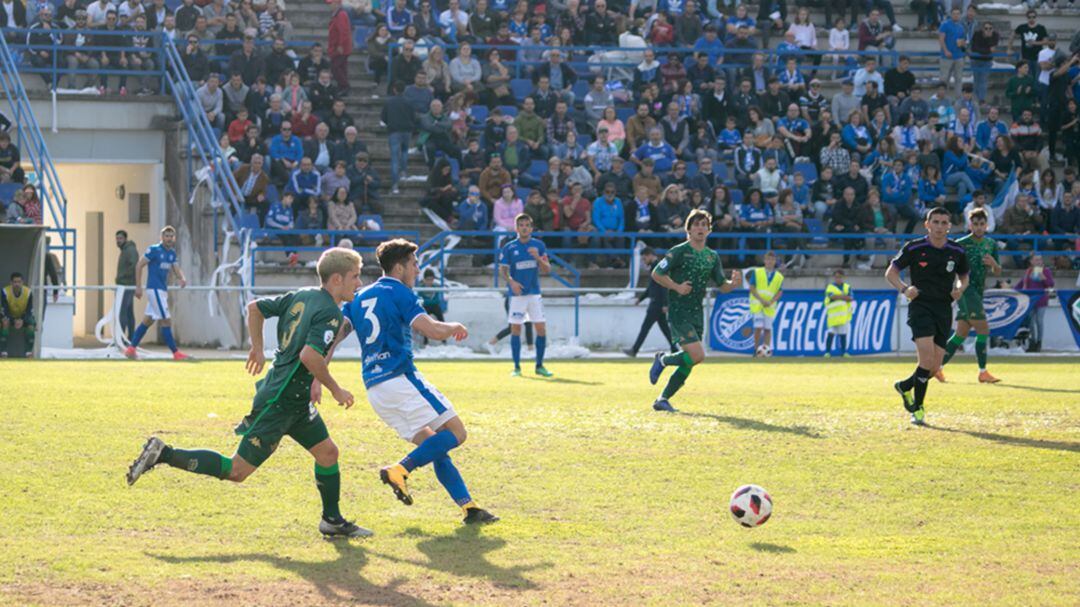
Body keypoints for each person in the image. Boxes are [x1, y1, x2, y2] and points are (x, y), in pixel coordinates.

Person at [126, 248, 372, 539]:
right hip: (280, 401)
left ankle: (332, 520)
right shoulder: (330, 312)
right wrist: (335, 388)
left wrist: (257, 347)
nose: (359, 283)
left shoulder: (303, 295)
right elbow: (309, 356)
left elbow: (256, 308)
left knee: (328, 453)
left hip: (294, 400)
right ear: (336, 280)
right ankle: (163, 454)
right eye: (355, 277)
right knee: (237, 471)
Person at [344, 239, 498, 525]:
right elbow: (432, 330)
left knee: (436, 444)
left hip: (375, 389)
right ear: (399, 267)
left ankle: (469, 508)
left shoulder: (358, 296)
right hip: (400, 377)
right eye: (414, 264)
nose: (416, 270)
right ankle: (400, 469)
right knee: (456, 432)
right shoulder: (400, 292)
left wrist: (319, 378)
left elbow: (334, 337)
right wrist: (454, 326)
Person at [648, 209, 743, 412]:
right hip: (679, 310)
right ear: (689, 229)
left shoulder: (712, 257)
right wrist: (676, 287)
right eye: (696, 224)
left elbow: (722, 286)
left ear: (709, 230)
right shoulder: (679, 251)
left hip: (696, 312)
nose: (700, 228)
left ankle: (662, 399)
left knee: (690, 360)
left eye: (704, 225)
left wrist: (733, 284)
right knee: (698, 355)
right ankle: (663, 360)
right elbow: (657, 273)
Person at [885, 207, 970, 426]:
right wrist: (905, 289)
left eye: (944, 223)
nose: (940, 227)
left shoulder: (957, 250)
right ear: (927, 224)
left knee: (933, 368)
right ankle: (918, 410)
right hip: (920, 307)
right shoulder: (914, 247)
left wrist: (959, 288)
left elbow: (964, 276)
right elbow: (891, 272)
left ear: (949, 226)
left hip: (943, 309)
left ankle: (905, 386)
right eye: (936, 222)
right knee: (926, 360)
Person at [938, 208, 1002, 384]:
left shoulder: (991, 244)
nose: (979, 227)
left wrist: (994, 263)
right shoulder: (960, 244)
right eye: (975, 224)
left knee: (960, 334)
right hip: (966, 291)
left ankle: (937, 368)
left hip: (978, 292)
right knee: (983, 330)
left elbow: (998, 272)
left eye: (982, 224)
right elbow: (949, 267)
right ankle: (983, 372)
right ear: (970, 224)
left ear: (986, 225)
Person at [124, 226, 190, 361]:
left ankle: (131, 349)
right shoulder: (154, 250)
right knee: (166, 320)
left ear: (174, 238)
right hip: (154, 289)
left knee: (147, 320)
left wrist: (182, 278)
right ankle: (176, 353)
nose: (169, 238)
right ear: (161, 237)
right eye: (166, 236)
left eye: (171, 236)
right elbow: (139, 265)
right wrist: (138, 287)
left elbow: (176, 269)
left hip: (162, 291)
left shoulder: (171, 253)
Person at [499, 214, 553, 378]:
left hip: (534, 294)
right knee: (516, 329)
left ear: (531, 228)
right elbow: (503, 269)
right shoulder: (509, 247)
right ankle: (516, 367)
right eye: (521, 225)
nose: (524, 227)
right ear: (516, 228)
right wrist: (511, 282)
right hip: (517, 295)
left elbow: (547, 270)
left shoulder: (539, 245)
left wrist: (537, 258)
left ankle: (539, 365)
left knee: (541, 329)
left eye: (527, 225)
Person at [624, 247, 676, 358]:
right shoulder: (656, 267)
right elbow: (651, 288)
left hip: (657, 304)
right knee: (665, 329)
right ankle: (675, 348)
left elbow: (664, 287)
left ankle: (634, 350)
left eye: (644, 259)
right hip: (657, 303)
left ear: (650, 255)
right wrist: (640, 299)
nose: (644, 261)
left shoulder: (658, 268)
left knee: (645, 328)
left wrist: (665, 304)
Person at [747, 251, 784, 357]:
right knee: (758, 327)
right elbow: (752, 288)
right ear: (764, 260)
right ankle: (756, 350)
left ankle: (766, 350)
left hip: (769, 306)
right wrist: (761, 300)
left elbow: (779, 291)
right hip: (758, 304)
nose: (770, 262)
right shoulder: (757, 272)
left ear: (775, 261)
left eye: (772, 260)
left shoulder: (779, 277)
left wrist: (771, 301)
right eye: (768, 259)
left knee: (768, 329)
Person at [1015, 254, 1054, 353]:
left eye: (1040, 260)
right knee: (1031, 322)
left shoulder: (1046, 271)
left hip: (1041, 299)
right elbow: (1021, 283)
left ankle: (1039, 342)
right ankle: (1033, 340)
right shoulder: (1028, 271)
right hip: (1031, 300)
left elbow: (1050, 284)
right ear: (1031, 261)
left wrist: (1044, 278)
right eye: (1036, 260)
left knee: (1039, 320)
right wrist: (1012, 290)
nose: (1039, 261)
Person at [0, 272, 35, 358]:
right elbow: (5, 310)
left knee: (31, 324)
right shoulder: (5, 292)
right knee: (5, 322)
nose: (17, 284)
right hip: (10, 316)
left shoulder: (28, 292)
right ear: (11, 283)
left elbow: (29, 311)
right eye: (15, 282)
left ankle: (29, 352)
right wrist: (13, 320)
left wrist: (22, 320)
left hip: (22, 317)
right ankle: (3, 352)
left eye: (19, 282)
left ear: (22, 282)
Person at [115, 230, 139, 342]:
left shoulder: (130, 250)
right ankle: (130, 338)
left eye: (120, 238)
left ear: (125, 239)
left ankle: (123, 337)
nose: (118, 241)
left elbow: (134, 266)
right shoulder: (125, 250)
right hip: (125, 285)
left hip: (126, 285)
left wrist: (122, 277)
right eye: (117, 238)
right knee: (128, 312)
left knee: (123, 312)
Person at [823, 269, 853, 357]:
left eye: (839, 277)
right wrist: (844, 296)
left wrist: (838, 296)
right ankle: (827, 352)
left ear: (843, 278)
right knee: (831, 333)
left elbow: (850, 298)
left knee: (843, 334)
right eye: (836, 277)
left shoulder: (847, 287)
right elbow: (832, 296)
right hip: (833, 316)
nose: (838, 279)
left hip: (843, 316)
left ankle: (843, 352)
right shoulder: (830, 287)